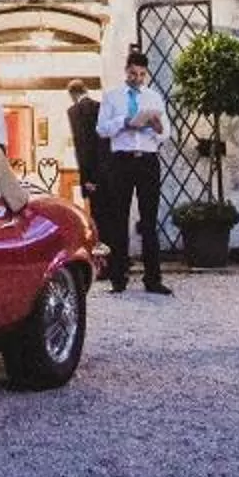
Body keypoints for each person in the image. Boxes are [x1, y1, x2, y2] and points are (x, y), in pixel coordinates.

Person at [94, 50, 174, 294]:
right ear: (126, 71)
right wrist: (124, 122)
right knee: (119, 219)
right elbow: (101, 129)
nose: (137, 78)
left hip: (148, 161)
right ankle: (119, 279)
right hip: (121, 162)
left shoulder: (154, 97)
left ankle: (153, 279)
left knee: (149, 221)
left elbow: (166, 134)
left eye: (141, 75)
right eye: (133, 74)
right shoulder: (112, 96)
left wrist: (157, 126)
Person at [65, 79, 107, 218]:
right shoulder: (101, 107)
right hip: (107, 171)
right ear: (85, 90)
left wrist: (88, 178)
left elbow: (82, 145)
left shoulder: (74, 111)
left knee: (95, 214)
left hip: (91, 172)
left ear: (72, 95)